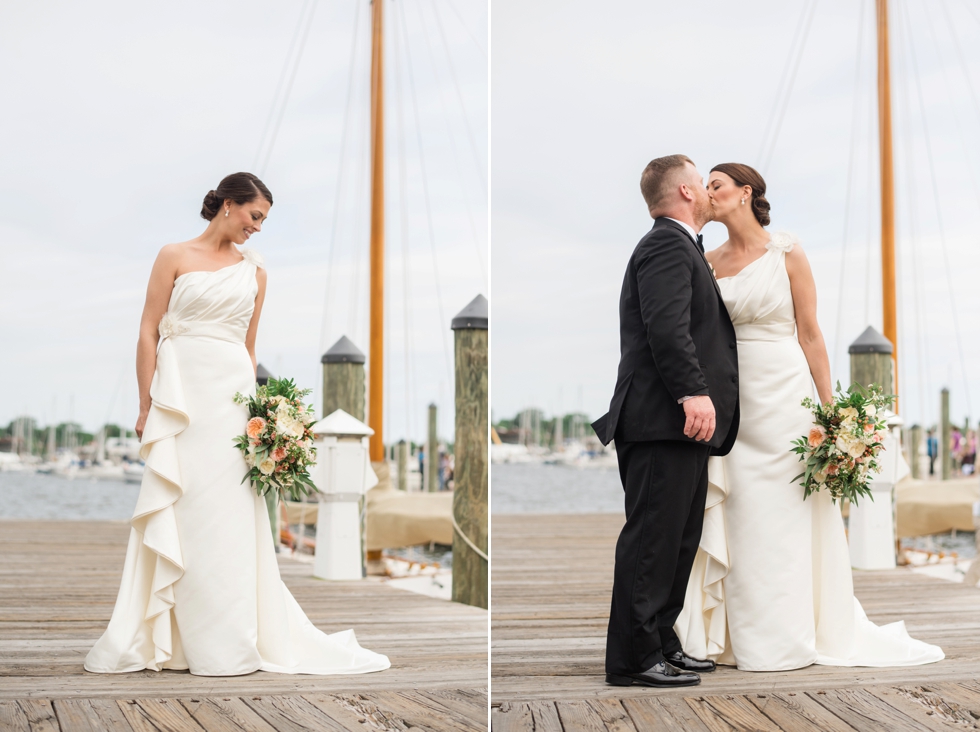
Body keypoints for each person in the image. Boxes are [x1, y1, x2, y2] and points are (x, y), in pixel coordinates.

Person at [85, 173, 390, 677]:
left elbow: (248, 349)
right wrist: (146, 404)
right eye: (255, 216)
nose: (258, 228)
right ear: (229, 205)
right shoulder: (173, 256)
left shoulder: (255, 274)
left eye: (264, 220)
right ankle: (167, 637)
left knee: (226, 518)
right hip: (181, 395)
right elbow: (147, 330)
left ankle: (226, 639)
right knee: (180, 508)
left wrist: (262, 418)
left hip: (230, 400)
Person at [675, 162, 943, 671]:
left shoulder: (787, 252)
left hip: (786, 396)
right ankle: (732, 635)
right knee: (740, 509)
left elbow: (811, 333)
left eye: (716, 185)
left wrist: (829, 409)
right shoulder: (705, 261)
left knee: (787, 513)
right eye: (704, 186)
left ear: (745, 193)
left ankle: (790, 633)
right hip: (733, 398)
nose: (708, 193)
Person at [592, 155, 740, 688]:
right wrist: (693, 392)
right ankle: (633, 658)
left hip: (678, 424)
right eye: (701, 181)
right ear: (683, 190)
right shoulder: (664, 245)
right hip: (661, 417)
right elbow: (666, 327)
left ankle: (660, 642)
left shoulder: (683, 247)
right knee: (654, 538)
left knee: (679, 537)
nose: (705, 188)